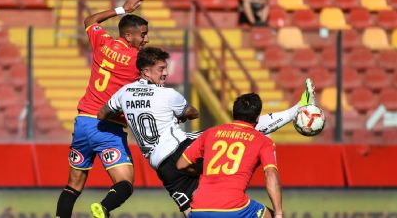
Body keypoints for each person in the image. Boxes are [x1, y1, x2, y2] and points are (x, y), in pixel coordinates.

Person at [98, 47, 315, 216]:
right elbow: (193, 112)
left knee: (194, 212)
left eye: (165, 68)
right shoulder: (167, 95)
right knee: (241, 128)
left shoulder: (123, 93)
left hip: (163, 168)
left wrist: (128, 118)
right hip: (179, 149)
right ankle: (297, 109)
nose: (165, 73)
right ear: (145, 71)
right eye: (161, 69)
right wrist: (181, 114)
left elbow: (102, 114)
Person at [55, 0, 148, 218]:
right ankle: (103, 208)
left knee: (73, 185)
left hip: (83, 123)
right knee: (125, 182)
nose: (146, 39)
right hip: (107, 127)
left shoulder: (103, 42)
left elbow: (90, 19)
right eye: (143, 34)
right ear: (128, 35)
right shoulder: (137, 59)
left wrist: (121, 9)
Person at [176, 92, 283, 218]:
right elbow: (271, 174)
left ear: (234, 113)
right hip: (234, 207)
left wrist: (203, 170)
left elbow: (181, 164)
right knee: (270, 215)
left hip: (199, 208)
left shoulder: (210, 132)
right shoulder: (263, 141)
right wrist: (279, 213)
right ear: (258, 118)